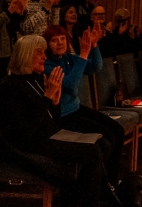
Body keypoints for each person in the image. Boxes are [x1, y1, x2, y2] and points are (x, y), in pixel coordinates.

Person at [0, 34, 111, 207]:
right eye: (39, 53)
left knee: (103, 144)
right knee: (92, 152)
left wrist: (55, 102)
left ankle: (80, 198)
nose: (44, 57)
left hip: (48, 134)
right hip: (29, 144)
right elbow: (24, 130)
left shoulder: (36, 79)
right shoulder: (9, 87)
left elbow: (52, 121)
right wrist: (47, 98)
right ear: (26, 55)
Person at [43, 24, 126, 184]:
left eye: (62, 39)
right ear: (47, 44)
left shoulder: (68, 59)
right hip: (63, 116)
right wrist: (84, 53)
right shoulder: (48, 65)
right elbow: (70, 84)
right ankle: (103, 183)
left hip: (76, 109)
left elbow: (95, 66)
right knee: (107, 136)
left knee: (118, 130)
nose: (60, 43)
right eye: (54, 40)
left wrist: (94, 46)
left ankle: (111, 181)